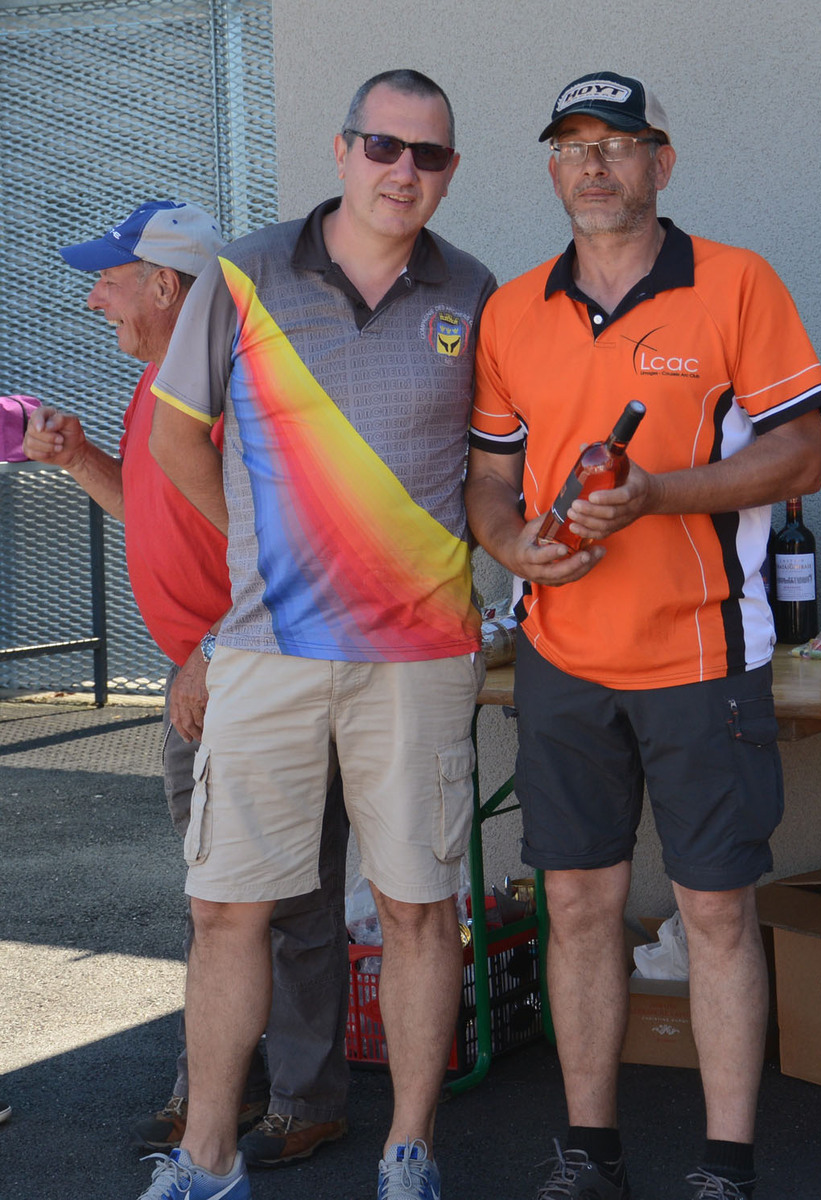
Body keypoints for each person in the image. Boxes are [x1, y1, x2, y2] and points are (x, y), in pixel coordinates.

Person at [465, 71, 821, 1200]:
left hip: (703, 655)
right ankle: (590, 1153)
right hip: (561, 660)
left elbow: (799, 456)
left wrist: (660, 495)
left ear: (660, 162)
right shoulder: (512, 310)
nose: (595, 163)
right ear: (551, 167)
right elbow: (487, 479)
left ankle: (726, 1164)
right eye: (573, 144)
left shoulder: (735, 282)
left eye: (618, 142)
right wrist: (512, 545)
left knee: (714, 911)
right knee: (579, 908)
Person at [142, 71, 496, 1200]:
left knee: (417, 908)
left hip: (419, 659)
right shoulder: (244, 274)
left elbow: (493, 469)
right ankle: (207, 1160)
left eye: (428, 155)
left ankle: (409, 1152)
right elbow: (177, 441)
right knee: (227, 909)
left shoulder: (474, 290)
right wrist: (270, 550)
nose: (404, 171)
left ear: (449, 172)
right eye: (384, 146)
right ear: (343, 150)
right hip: (267, 650)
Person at [23, 200, 350, 1169]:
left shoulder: (245, 388)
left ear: (166, 287)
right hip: (203, 672)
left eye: (109, 281)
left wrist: (213, 645)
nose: (94, 300)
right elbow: (156, 516)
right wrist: (80, 458)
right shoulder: (159, 385)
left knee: (290, 899)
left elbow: (294, 542)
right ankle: (220, 1085)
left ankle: (304, 1100)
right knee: (218, 899)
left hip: (256, 666)